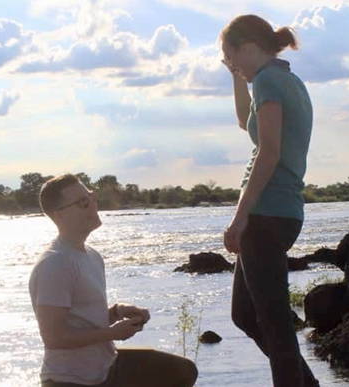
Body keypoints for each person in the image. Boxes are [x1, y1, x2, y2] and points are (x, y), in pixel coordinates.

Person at [220, 15, 319, 387]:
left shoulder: (267, 80)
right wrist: (234, 76)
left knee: (276, 327)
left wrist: (239, 217)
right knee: (245, 314)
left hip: (265, 212)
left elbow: (269, 152)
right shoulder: (285, 79)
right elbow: (247, 123)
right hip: (281, 212)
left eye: (232, 58)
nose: (234, 65)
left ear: (248, 48)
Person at [29, 174, 198, 387]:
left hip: (106, 368)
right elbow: (54, 338)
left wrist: (116, 312)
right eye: (83, 203)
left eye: (91, 197)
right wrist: (112, 333)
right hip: (70, 380)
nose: (93, 205)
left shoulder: (91, 255)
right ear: (59, 215)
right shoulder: (54, 264)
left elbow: (83, 320)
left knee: (181, 371)